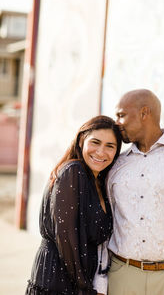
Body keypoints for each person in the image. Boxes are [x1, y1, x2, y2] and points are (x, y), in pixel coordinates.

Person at [106, 89, 164, 295]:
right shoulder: (116, 164)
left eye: (121, 115)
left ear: (144, 113)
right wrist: (101, 282)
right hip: (123, 275)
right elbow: (107, 225)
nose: (116, 122)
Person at [25, 115, 122, 295]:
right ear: (80, 141)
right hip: (58, 281)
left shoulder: (98, 182)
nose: (101, 152)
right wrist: (85, 288)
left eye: (110, 146)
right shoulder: (73, 171)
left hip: (79, 279)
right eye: (95, 142)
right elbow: (67, 239)